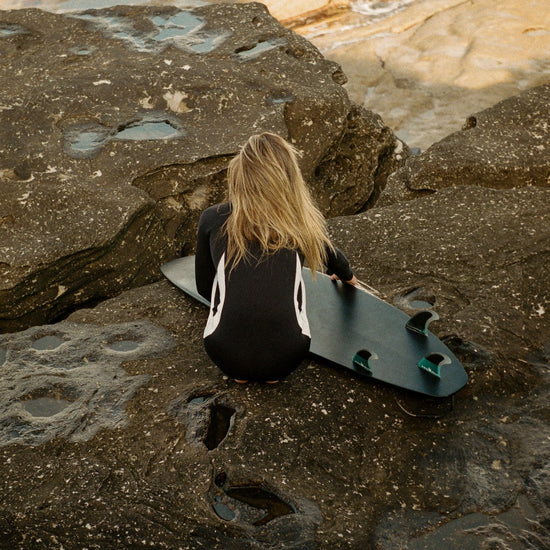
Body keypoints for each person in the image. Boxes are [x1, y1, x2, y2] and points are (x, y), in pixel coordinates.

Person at [195, 132, 357, 383]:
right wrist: (348, 276)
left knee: (227, 299)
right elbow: (329, 253)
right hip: (288, 355)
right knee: (294, 291)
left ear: (240, 174)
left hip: (222, 352)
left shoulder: (212, 218)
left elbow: (205, 288)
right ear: (289, 179)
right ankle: (271, 374)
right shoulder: (299, 223)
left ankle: (240, 374)